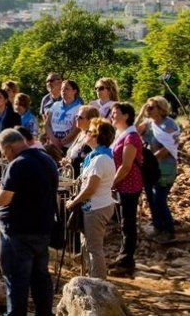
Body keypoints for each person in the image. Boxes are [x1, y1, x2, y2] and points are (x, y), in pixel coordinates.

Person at [0, 129, 57, 316]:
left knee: (16, 279)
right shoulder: (47, 160)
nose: (4, 157)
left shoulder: (18, 164)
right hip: (42, 228)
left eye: (3, 153)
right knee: (40, 277)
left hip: (18, 232)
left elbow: (3, 199)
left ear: (9, 148)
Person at [65, 118, 117, 279]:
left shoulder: (100, 160)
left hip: (96, 207)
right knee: (87, 245)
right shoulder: (96, 157)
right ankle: (90, 277)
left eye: (88, 132)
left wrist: (74, 202)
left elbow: (90, 188)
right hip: (93, 206)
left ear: (96, 136)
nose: (85, 134)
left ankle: (97, 284)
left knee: (94, 248)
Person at [136, 96, 180, 243]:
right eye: (147, 107)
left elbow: (167, 148)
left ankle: (169, 230)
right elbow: (132, 131)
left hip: (165, 168)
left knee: (160, 199)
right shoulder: (148, 124)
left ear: (161, 109)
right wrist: (141, 113)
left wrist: (150, 161)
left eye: (151, 107)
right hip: (150, 167)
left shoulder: (170, 125)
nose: (148, 109)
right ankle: (157, 226)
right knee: (151, 198)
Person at [109, 102, 144, 276]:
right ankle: (123, 257)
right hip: (122, 184)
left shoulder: (131, 137)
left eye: (115, 113)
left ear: (126, 116)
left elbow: (126, 165)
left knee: (127, 223)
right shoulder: (121, 134)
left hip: (129, 185)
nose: (112, 115)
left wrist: (112, 183)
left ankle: (126, 260)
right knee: (124, 223)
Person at [45, 80, 82, 153]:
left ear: (74, 91)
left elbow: (76, 129)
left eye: (66, 89)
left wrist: (62, 143)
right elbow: (47, 125)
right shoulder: (55, 105)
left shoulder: (79, 108)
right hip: (53, 144)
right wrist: (54, 140)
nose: (63, 91)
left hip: (68, 147)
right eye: (62, 89)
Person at [63, 105, 100, 177]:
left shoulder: (92, 138)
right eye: (76, 116)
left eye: (80, 117)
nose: (76, 119)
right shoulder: (81, 134)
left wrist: (70, 162)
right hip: (72, 177)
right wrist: (66, 160)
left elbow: (87, 160)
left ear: (90, 120)